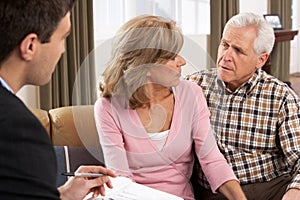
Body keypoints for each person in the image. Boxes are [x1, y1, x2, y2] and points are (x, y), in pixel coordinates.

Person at [94, 15, 247, 200]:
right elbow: (121, 179)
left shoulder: (191, 94)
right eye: (172, 56)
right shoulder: (107, 108)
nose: (181, 61)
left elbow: (212, 160)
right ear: (146, 65)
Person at [0, 0, 116, 199]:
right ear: (30, 46)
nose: (63, 50)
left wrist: (61, 195)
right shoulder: (18, 131)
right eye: (63, 38)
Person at [186, 12, 300, 200]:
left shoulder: (281, 97)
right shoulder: (195, 85)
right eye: (225, 44)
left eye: (238, 50)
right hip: (214, 192)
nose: (226, 56)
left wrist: (294, 192)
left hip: (269, 189)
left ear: (260, 60)